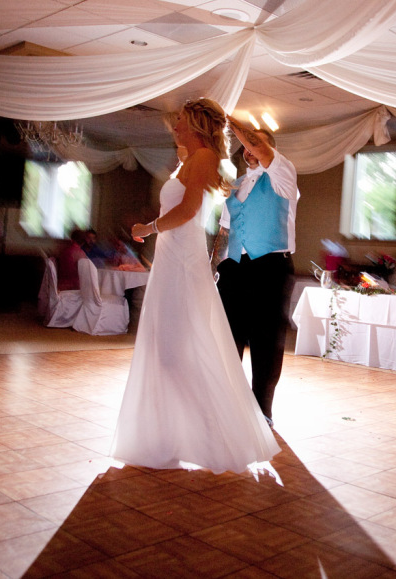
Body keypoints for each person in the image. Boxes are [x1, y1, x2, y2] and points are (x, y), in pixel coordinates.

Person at [111, 98, 280, 474]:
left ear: (198, 125)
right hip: (172, 260)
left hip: (183, 263)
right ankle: (168, 435)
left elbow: (187, 212)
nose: (176, 127)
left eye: (182, 122)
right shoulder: (188, 159)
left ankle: (211, 431)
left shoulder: (203, 158)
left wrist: (147, 228)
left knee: (174, 351)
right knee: (163, 349)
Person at [215, 121, 299, 427]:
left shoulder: (283, 176)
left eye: (256, 145)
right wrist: (215, 266)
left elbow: (261, 148)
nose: (249, 149)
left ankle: (262, 411)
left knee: (266, 343)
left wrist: (231, 120)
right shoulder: (236, 185)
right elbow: (224, 231)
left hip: (271, 268)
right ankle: (229, 406)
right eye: (247, 146)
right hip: (234, 268)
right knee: (228, 339)